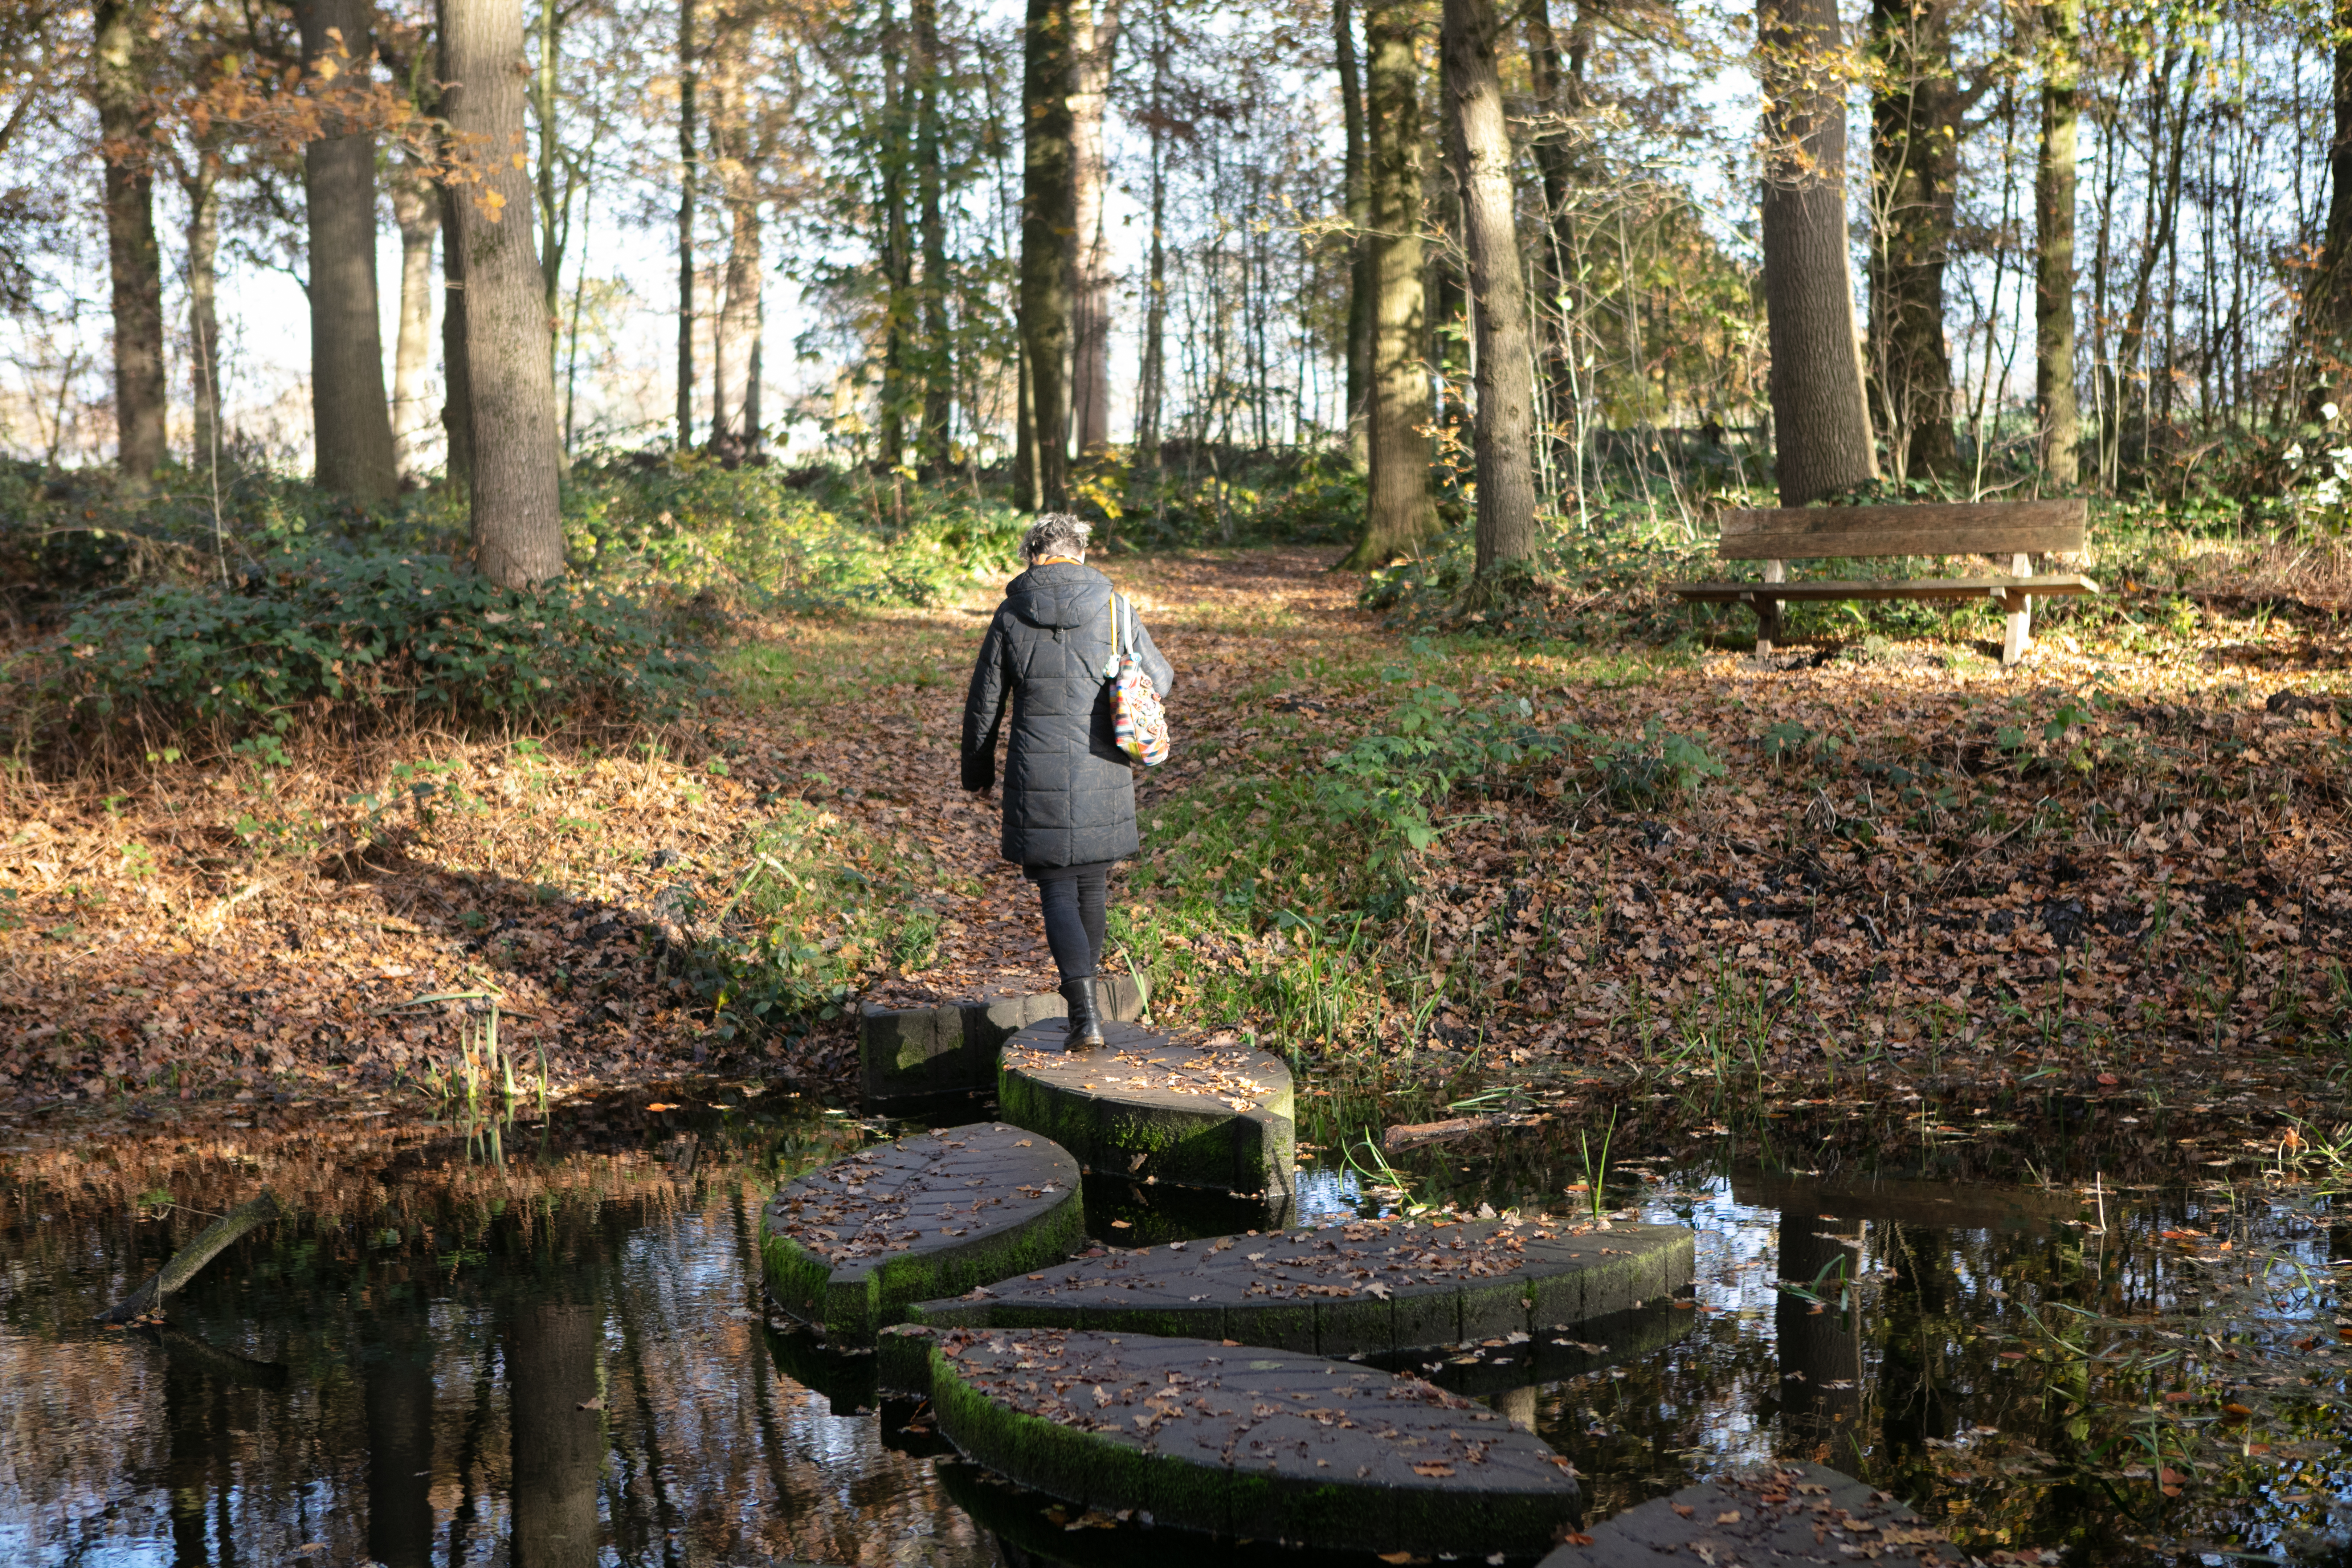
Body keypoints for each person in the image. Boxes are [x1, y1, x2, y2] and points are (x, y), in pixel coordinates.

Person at [960, 513, 1174, 1046]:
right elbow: (1162, 679)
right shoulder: (1116, 608)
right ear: (1081, 553)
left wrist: (977, 772)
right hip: (1103, 765)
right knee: (1092, 887)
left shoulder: (1011, 613)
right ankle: (1089, 1014)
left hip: (1037, 769)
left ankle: (1085, 1018)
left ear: (1034, 556)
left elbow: (985, 703)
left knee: (1058, 889)